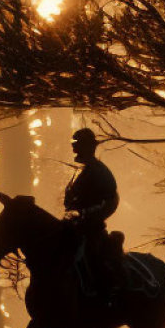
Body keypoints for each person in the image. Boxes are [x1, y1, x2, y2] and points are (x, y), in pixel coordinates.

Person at [64, 128, 121, 301]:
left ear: (87, 147)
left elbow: (110, 201)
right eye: (73, 145)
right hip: (73, 226)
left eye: (77, 145)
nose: (74, 149)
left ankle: (106, 294)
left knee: (93, 258)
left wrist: (85, 214)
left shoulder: (100, 172)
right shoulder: (79, 171)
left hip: (91, 229)